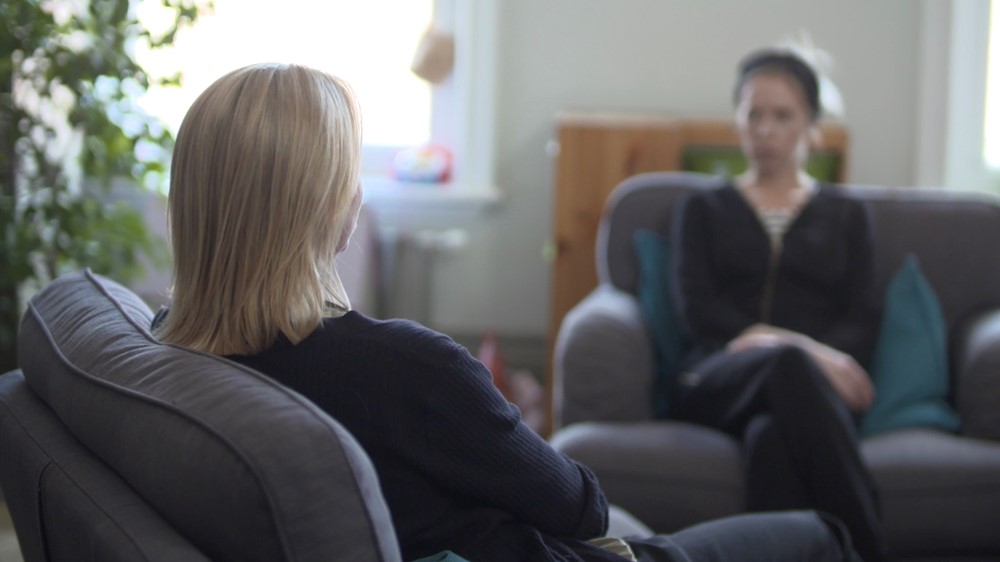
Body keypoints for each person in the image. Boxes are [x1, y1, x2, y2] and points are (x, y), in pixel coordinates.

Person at [153, 62, 861, 562]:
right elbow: (581, 507)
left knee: (778, 443)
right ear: (328, 207)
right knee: (820, 535)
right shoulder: (408, 368)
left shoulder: (166, 353)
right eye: (349, 177)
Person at [669, 49, 889, 562]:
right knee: (787, 364)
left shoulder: (846, 215)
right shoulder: (702, 208)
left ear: (811, 125)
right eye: (753, 114)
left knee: (772, 437)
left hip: (811, 395)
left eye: (782, 115)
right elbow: (697, 311)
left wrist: (805, 354)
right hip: (713, 379)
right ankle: (871, 547)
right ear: (737, 122)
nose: (765, 130)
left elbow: (862, 320)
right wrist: (789, 345)